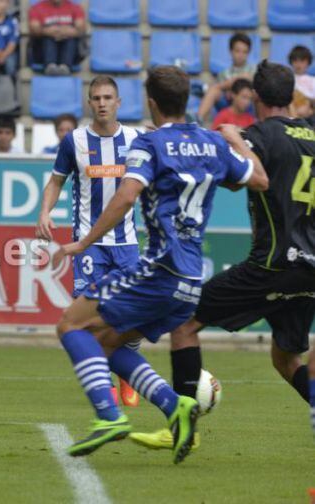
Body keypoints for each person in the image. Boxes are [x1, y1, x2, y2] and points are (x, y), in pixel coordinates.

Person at [50, 65, 268, 463]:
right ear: (185, 100)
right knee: (108, 342)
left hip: (159, 268)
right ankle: (176, 406)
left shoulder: (149, 144)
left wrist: (83, 241)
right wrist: (236, 141)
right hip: (191, 280)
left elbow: (126, 198)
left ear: (151, 101)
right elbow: (258, 180)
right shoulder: (214, 145)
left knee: (71, 323)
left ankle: (109, 417)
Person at [129, 61, 315, 449]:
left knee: (184, 325)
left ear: (258, 98)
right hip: (310, 267)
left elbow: (236, 178)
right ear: (292, 97)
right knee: (286, 359)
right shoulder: (312, 135)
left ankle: (182, 427)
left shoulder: (258, 134)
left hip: (273, 264)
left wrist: (235, 140)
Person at [37, 76, 141, 407]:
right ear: (89, 102)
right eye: (96, 97)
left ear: (119, 102)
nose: (102, 103)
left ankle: (128, 373)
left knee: (133, 315)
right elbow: (55, 182)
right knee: (87, 317)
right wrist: (44, 212)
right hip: (88, 243)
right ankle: (106, 381)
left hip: (126, 243)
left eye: (108, 97)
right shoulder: (75, 141)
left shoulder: (137, 140)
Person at [197, 33, 256, 124]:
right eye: (237, 51)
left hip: (248, 104)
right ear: (231, 51)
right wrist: (234, 82)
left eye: (245, 52)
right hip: (228, 103)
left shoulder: (254, 70)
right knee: (214, 90)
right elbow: (218, 89)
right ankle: (198, 119)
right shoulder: (224, 73)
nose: (241, 55)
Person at [28, 0, 85, 76]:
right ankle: (50, 65)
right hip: (43, 50)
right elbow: (34, 29)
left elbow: (81, 29)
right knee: (47, 37)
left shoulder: (74, 7)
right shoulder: (37, 7)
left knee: (71, 39)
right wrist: (47, 31)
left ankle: (65, 66)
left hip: (68, 46)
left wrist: (62, 31)